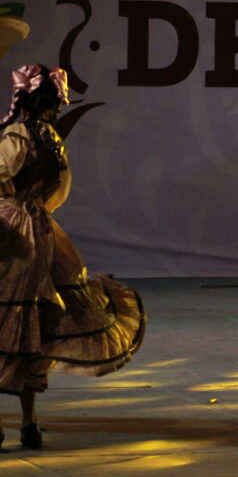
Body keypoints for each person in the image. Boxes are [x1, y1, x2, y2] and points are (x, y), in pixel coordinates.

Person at [0, 64, 145, 449]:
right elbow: (58, 190)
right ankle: (29, 423)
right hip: (44, 229)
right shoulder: (50, 137)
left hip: (14, 229)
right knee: (37, 326)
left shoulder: (17, 135)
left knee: (8, 320)